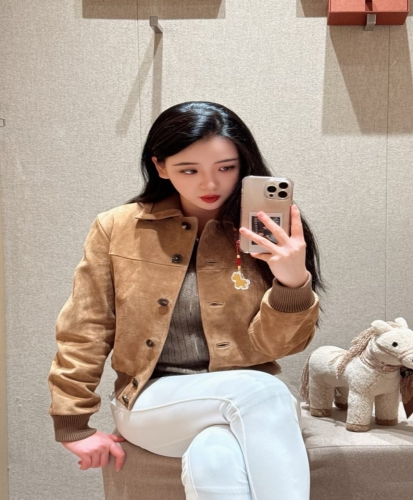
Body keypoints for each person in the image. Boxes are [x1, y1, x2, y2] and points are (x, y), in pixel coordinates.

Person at [48, 101, 323, 500]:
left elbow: (281, 346)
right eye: (189, 170)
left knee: (216, 457)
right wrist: (72, 424)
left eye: (226, 168)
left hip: (247, 398)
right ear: (160, 167)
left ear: (243, 165)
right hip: (152, 399)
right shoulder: (118, 228)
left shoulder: (268, 231)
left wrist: (292, 280)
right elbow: (86, 326)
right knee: (265, 392)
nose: (210, 184)